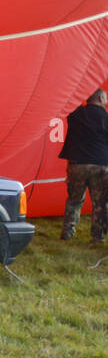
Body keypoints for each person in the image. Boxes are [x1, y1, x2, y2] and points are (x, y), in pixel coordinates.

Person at [59, 88, 108, 243]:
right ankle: (97, 237)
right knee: (100, 203)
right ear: (100, 98)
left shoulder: (76, 112)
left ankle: (67, 232)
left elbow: (69, 96)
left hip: (77, 165)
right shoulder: (106, 118)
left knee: (74, 199)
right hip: (100, 166)